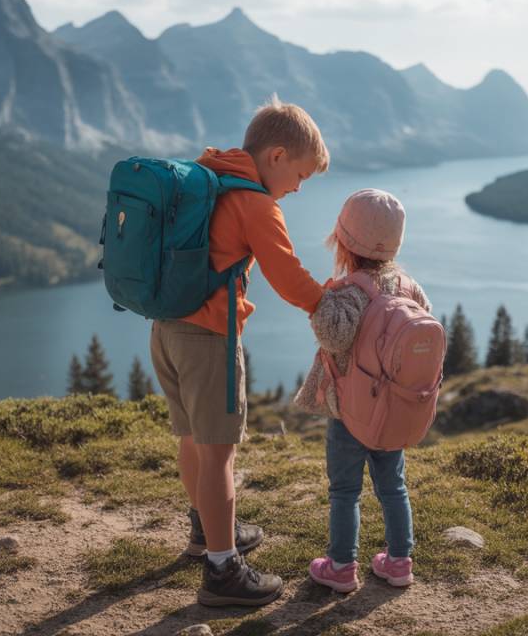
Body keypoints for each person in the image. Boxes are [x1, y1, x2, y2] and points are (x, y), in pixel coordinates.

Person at [150, 97, 329, 607]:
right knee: (220, 455)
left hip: (166, 329)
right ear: (275, 156)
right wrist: (330, 302)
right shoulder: (256, 203)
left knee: (191, 438)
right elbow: (288, 277)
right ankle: (224, 571)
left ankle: (206, 532)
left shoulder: (207, 173)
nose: (297, 188)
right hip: (209, 339)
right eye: (299, 175)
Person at [294, 189, 431, 592]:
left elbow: (334, 337)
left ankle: (340, 566)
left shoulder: (350, 290)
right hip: (393, 411)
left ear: (344, 243)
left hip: (350, 414)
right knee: (393, 486)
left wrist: (320, 301)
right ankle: (399, 561)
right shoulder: (410, 288)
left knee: (344, 491)